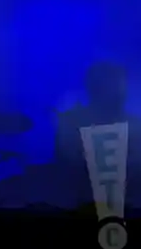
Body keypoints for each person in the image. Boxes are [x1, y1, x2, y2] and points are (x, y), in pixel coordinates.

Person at [54, 60, 137, 208]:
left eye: (122, 84)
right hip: (81, 206)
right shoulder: (72, 122)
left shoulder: (135, 124)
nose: (122, 91)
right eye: (114, 84)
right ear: (95, 88)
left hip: (130, 205)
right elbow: (68, 162)